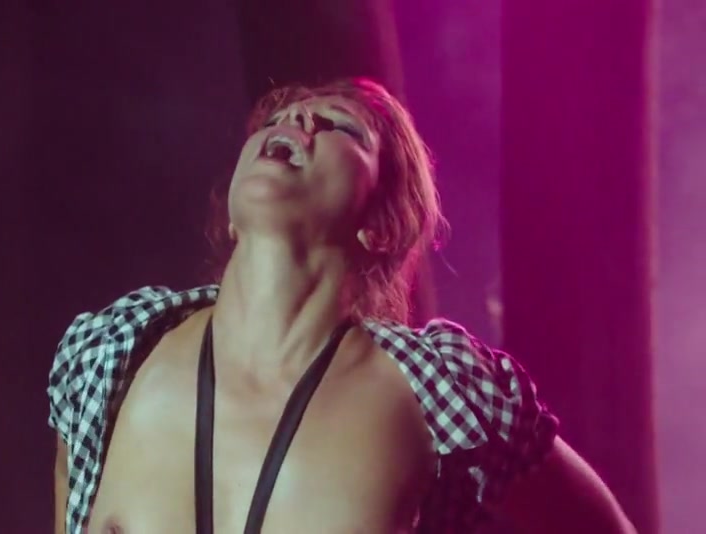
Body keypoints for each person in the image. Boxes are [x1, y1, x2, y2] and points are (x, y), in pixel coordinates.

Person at [47, 78, 635, 533]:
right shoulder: (113, 351)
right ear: (231, 215)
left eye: (341, 126)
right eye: (276, 119)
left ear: (381, 227)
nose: (299, 120)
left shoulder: (441, 389)